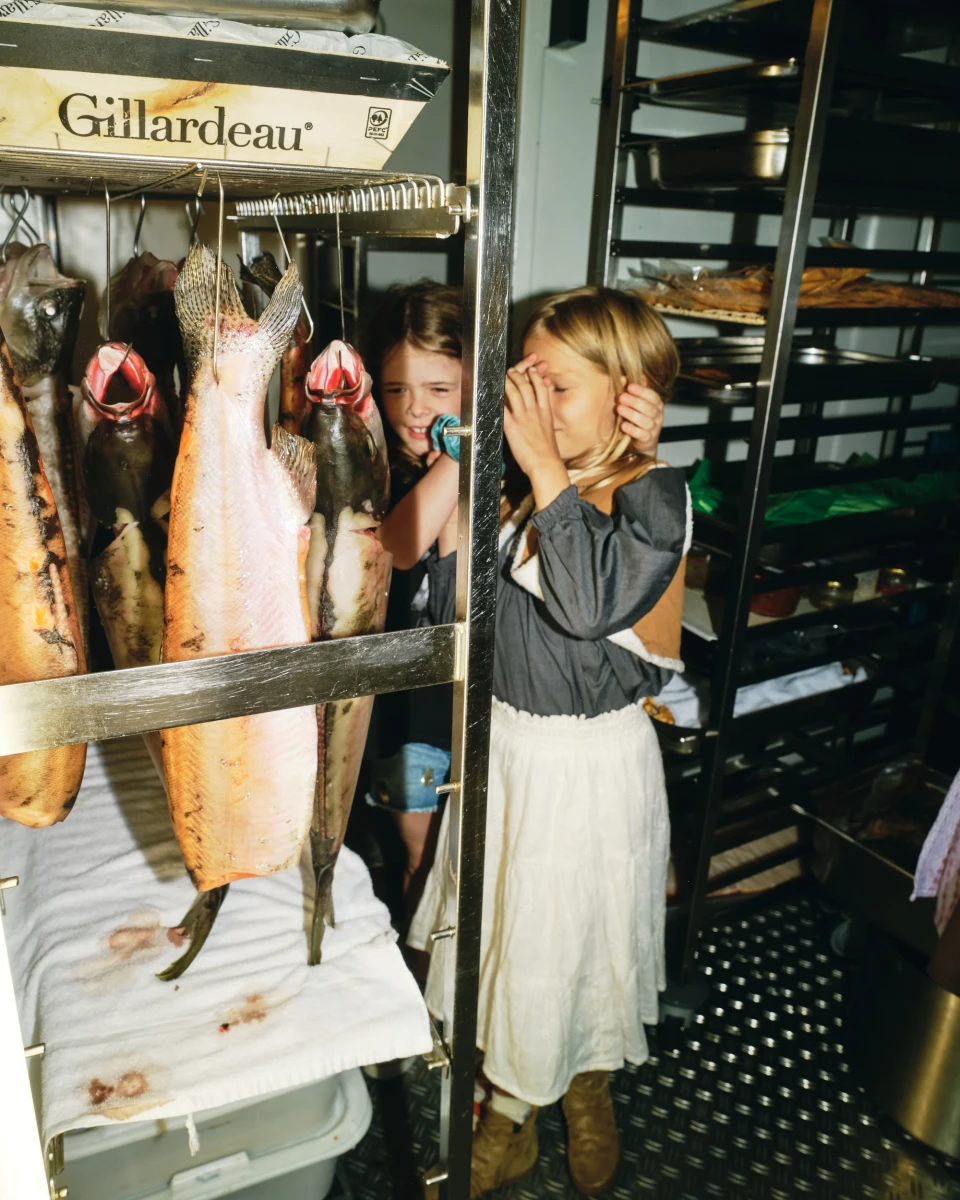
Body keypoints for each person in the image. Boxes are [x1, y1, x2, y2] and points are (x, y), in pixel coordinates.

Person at [408, 286, 687, 1198]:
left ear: (628, 394)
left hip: (587, 772)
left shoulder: (653, 503)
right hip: (512, 754)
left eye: (552, 387)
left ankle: (568, 1096)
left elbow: (588, 603)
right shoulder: (524, 490)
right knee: (515, 942)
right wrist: (482, 465)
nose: (529, 404)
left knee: (572, 942)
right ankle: (526, 1104)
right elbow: (431, 583)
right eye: (522, 381)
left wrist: (553, 467)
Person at [366, 281, 666, 925]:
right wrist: (475, 446)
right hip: (425, 713)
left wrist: (630, 446)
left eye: (441, 390)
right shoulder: (398, 464)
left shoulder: (554, 476)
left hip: (505, 720)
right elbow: (405, 549)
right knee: (436, 868)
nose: (416, 409)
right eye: (396, 390)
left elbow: (594, 549)